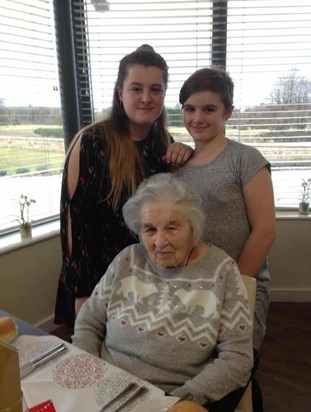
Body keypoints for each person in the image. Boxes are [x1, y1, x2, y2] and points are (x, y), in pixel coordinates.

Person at [72, 173, 253, 412]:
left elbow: (237, 359)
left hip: (171, 399)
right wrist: (90, 373)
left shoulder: (222, 271)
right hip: (104, 388)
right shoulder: (127, 259)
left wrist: (178, 401)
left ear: (193, 228)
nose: (159, 242)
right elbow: (88, 320)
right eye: (149, 229)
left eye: (172, 227)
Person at [54, 45, 193, 328]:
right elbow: (73, 222)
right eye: (136, 88)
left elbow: (173, 213)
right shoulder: (91, 142)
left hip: (148, 278)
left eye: (155, 89)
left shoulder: (164, 144)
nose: (146, 98)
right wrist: (82, 292)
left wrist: (188, 155)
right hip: (97, 282)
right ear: (120, 92)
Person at [175, 68, 276, 410]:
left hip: (241, 287)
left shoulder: (244, 159)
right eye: (189, 108)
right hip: (194, 290)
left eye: (208, 109)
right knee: (200, 372)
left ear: (227, 112)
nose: (197, 117)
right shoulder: (180, 165)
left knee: (235, 370)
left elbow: (265, 230)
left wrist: (236, 287)